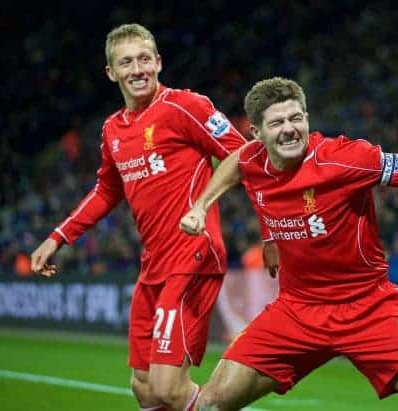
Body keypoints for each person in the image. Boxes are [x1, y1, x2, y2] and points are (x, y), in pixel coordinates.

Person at [180, 77, 398, 410]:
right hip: (297, 310)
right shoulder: (252, 160)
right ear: (257, 133)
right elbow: (236, 164)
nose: (290, 129)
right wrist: (202, 206)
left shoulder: (344, 158)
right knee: (210, 403)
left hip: (368, 307)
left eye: (296, 118)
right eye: (277, 122)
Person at [30, 23, 247, 411]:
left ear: (159, 62)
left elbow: (243, 154)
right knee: (144, 386)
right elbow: (106, 191)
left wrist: (206, 207)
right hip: (154, 266)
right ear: (111, 73)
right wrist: (58, 237)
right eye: (126, 62)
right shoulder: (112, 129)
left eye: (144, 59)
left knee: (167, 386)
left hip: (192, 256)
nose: (137, 69)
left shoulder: (186, 106)